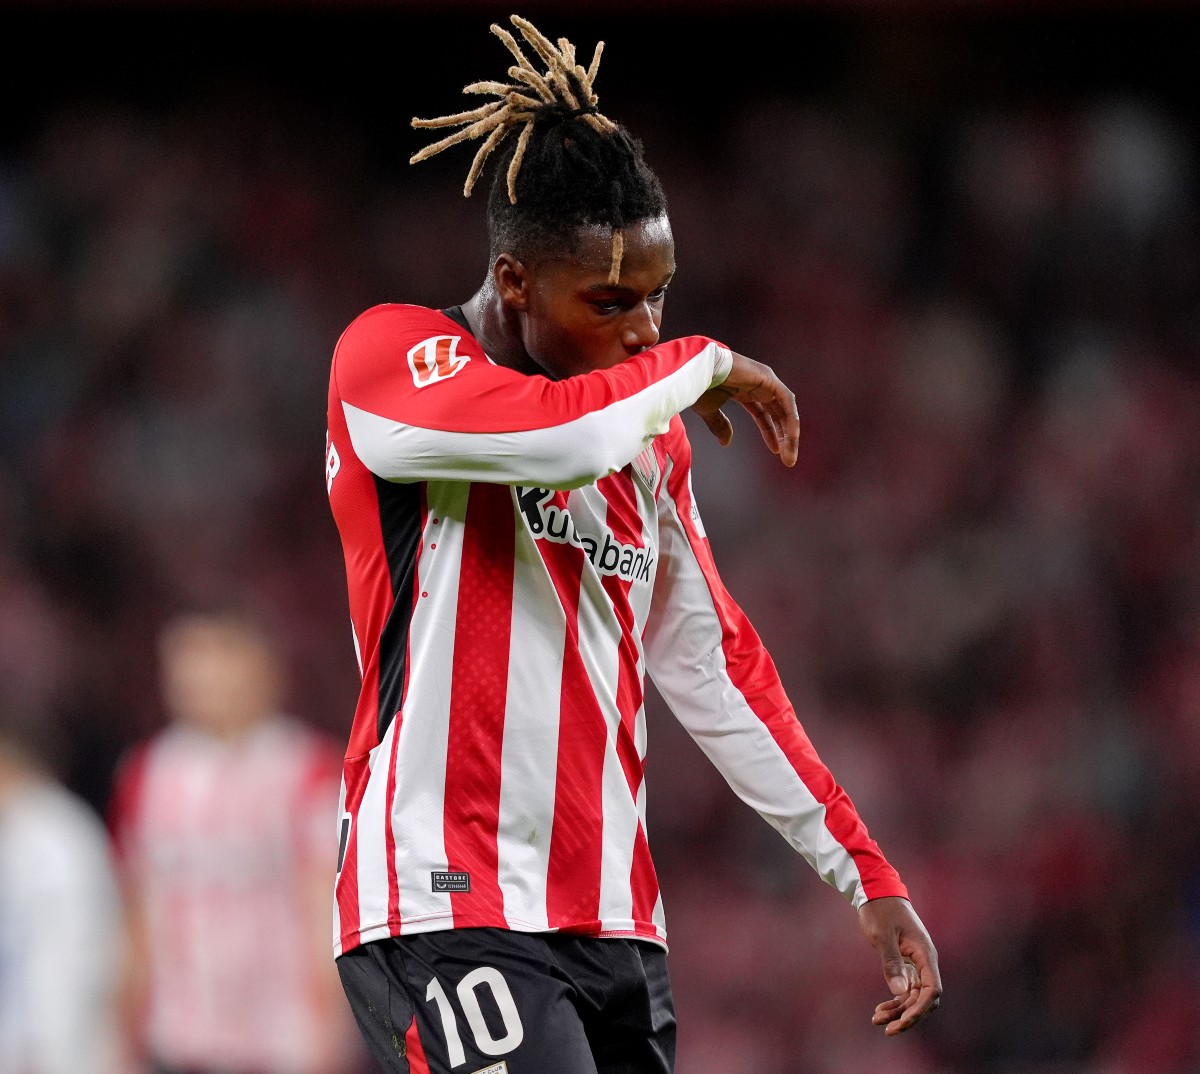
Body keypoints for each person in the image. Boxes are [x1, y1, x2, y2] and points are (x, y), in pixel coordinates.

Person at [324, 14, 941, 1074]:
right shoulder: (395, 361)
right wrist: (703, 360)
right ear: (515, 282)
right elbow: (549, 438)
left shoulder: (644, 438)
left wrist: (863, 873)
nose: (646, 329)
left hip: (616, 924)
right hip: (442, 896)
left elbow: (712, 663)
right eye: (610, 301)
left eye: (659, 297)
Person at [106, 605, 364, 1074]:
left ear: (265, 668)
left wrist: (329, 1037)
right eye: (186, 662)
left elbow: (326, 908)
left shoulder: (311, 770)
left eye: (219, 658)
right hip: (180, 1036)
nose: (201, 677)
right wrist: (123, 1037)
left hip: (285, 1042)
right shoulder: (145, 773)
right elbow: (137, 913)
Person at [0, 699, 128, 1074]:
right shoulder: (17, 830)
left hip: (57, 1047)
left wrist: (51, 1049)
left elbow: (77, 957)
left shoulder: (59, 838)